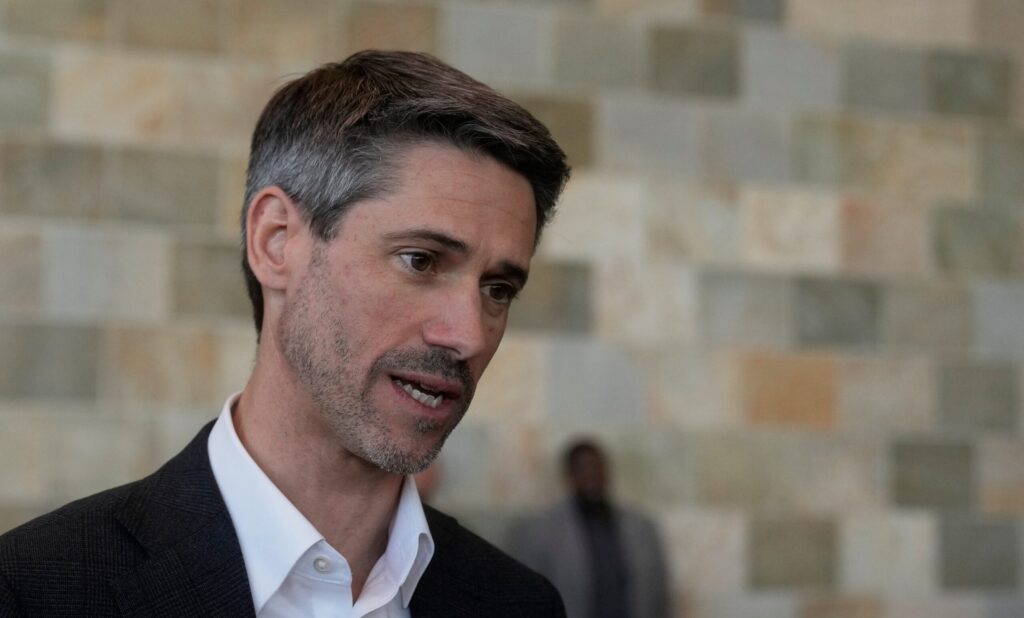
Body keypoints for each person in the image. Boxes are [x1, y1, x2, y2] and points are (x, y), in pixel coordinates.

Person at [0, 50, 570, 617]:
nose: (467, 335)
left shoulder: (519, 603)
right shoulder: (35, 590)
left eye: (498, 289)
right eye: (420, 260)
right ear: (276, 242)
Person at [507, 439, 671, 618]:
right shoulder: (542, 531)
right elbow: (525, 596)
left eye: (597, 467)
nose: (592, 475)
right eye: (583, 468)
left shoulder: (642, 528)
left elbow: (660, 595)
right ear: (569, 475)